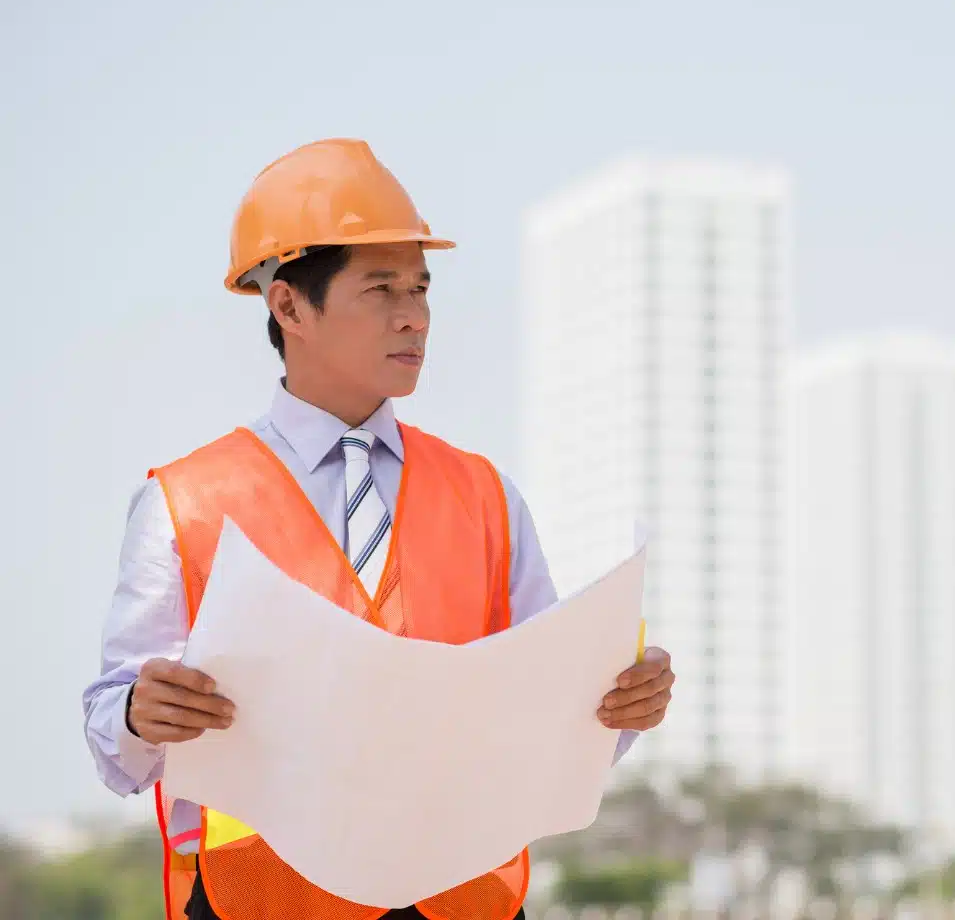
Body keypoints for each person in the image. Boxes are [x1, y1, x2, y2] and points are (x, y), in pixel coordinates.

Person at [81, 138, 676, 920]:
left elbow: (553, 713)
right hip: (263, 903)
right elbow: (113, 742)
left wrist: (617, 705)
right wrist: (136, 714)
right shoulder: (185, 502)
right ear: (289, 305)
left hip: (463, 900)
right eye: (382, 289)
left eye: (422, 289)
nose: (414, 317)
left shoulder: (486, 494)